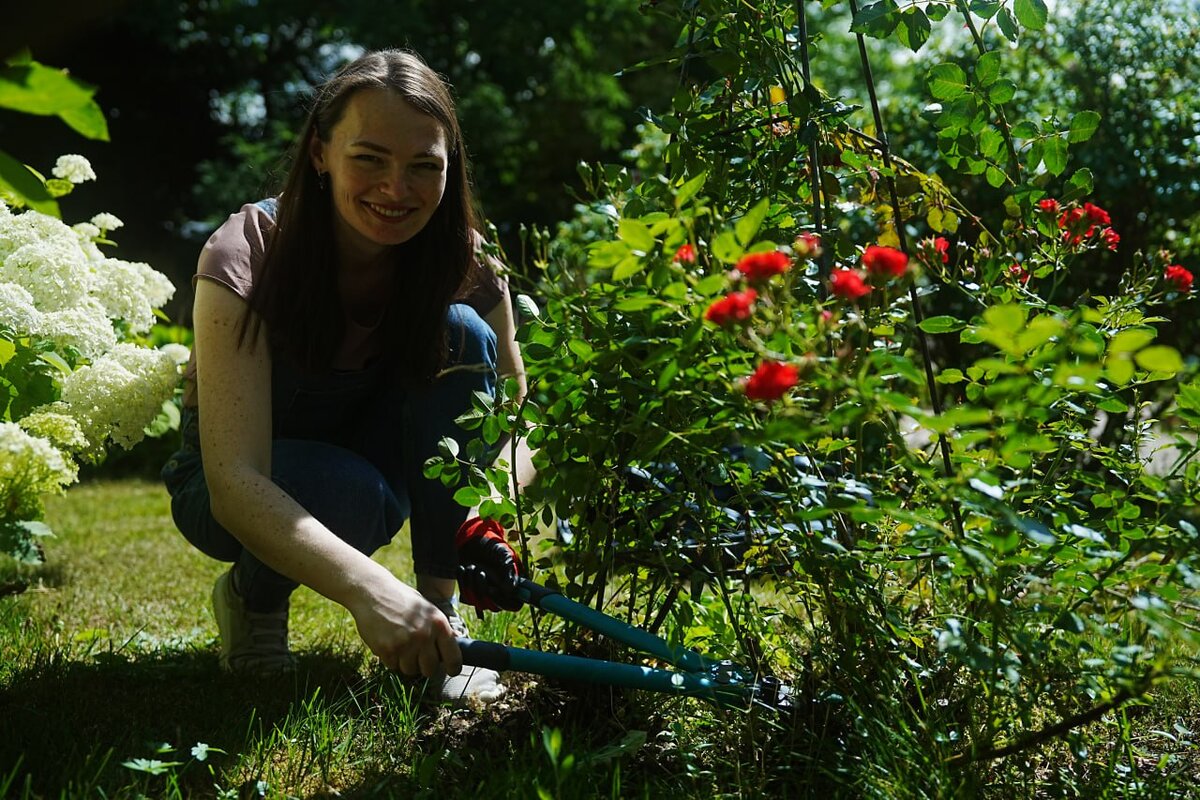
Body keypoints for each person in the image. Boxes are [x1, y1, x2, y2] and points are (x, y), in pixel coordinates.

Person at [160, 49, 525, 704]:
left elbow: (515, 407)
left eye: (424, 167)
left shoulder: (460, 257)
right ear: (321, 153)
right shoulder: (249, 251)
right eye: (369, 159)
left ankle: (440, 614)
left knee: (464, 335)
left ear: (450, 169)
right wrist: (369, 590)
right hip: (227, 485)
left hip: (372, 473)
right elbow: (233, 480)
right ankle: (253, 600)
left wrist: (482, 518)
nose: (397, 188)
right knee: (343, 490)